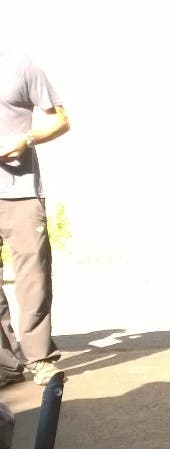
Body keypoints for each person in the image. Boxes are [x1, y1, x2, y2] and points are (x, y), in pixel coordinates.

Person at [0, 49, 68, 386]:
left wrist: (25, 138)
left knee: (34, 277)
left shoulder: (21, 66)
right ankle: (5, 364)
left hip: (20, 191)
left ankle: (39, 357)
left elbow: (61, 120)